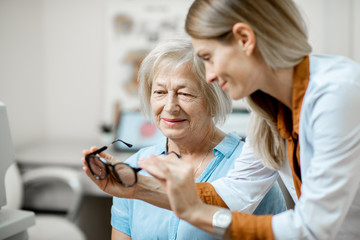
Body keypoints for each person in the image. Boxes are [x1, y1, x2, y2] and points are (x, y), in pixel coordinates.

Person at [134, 0, 360, 239]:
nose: (209, 75)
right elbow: (236, 192)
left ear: (244, 39)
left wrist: (197, 213)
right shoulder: (268, 111)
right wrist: (133, 184)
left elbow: (312, 227)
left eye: (209, 57)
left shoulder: (337, 93)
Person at [82, 37, 286, 240]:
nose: (170, 106)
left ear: (213, 100)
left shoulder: (252, 171)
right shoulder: (132, 167)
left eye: (185, 94)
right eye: (160, 92)